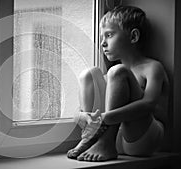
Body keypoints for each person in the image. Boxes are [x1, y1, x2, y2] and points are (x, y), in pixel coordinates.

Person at [67, 5, 169, 162]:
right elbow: (82, 109)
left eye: (109, 35)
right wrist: (81, 116)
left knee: (118, 72)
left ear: (133, 36)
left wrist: (106, 118)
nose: (103, 43)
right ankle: (92, 139)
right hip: (118, 139)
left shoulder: (152, 67)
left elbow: (149, 104)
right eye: (102, 37)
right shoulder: (112, 76)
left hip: (144, 138)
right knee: (90, 74)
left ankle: (105, 142)